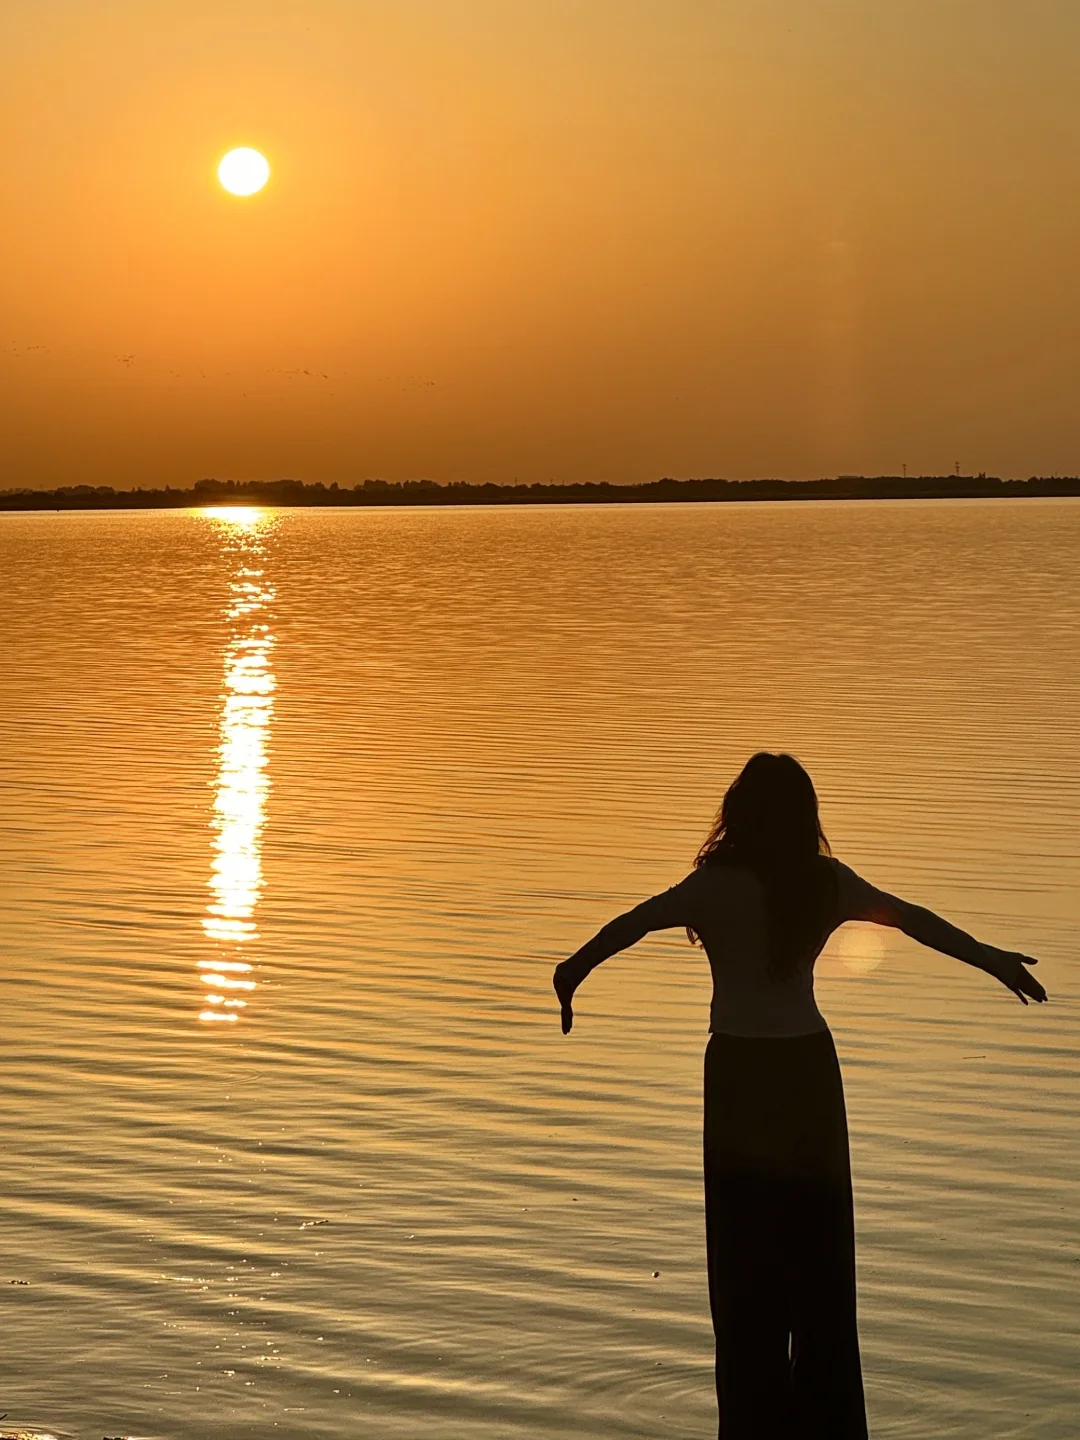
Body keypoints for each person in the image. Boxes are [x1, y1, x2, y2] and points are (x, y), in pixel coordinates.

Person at [552, 752, 1046, 1440]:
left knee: (743, 1254)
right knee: (817, 1257)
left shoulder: (712, 886)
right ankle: (828, 1416)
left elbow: (631, 923)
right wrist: (990, 959)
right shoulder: (824, 884)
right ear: (806, 816)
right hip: (808, 1075)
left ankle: (752, 1418)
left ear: (738, 815)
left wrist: (573, 971)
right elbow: (913, 919)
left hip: (738, 1079)